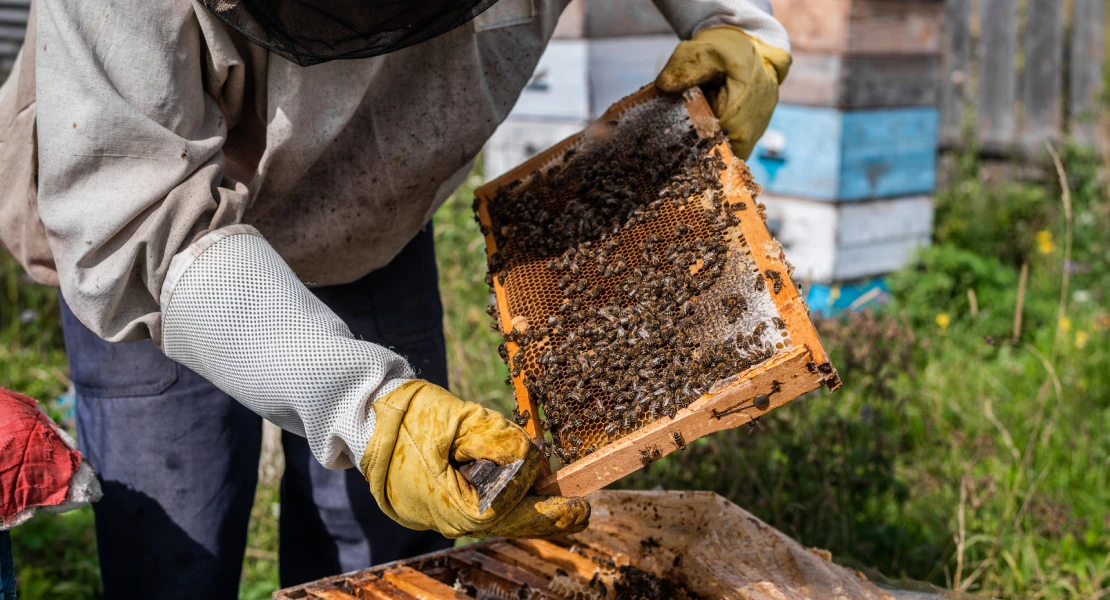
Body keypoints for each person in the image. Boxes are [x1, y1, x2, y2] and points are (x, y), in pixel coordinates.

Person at [0, 0, 791, 597]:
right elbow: (128, 213)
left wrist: (727, 16)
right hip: (152, 231)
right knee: (173, 547)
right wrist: (366, 406)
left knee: (383, 554)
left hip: (366, 219)